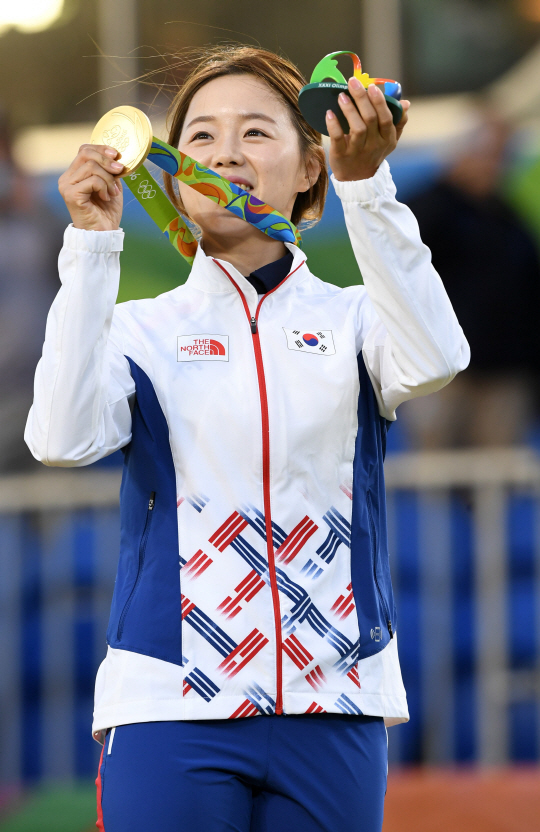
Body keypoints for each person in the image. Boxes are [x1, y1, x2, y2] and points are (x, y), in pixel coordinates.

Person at [25, 47, 469, 832]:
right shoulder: (141, 329)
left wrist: (367, 187)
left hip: (338, 700)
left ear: (309, 170)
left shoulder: (357, 318)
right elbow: (61, 437)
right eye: (200, 136)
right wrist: (91, 247)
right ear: (166, 171)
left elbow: (438, 358)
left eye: (257, 132)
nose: (226, 152)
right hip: (171, 703)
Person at [401, 110, 540, 448]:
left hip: (503, 372)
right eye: (487, 152)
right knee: (434, 478)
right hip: (439, 370)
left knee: (495, 480)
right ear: (460, 152)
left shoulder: (509, 220)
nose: (494, 164)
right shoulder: (424, 208)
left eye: (501, 155)